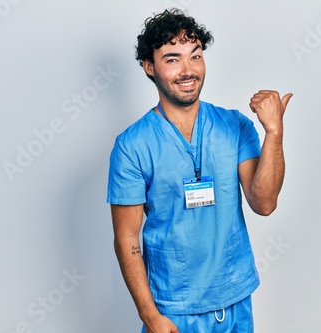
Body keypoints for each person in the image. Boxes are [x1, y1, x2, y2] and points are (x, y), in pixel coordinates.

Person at [107, 8, 292, 333]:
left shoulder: (234, 126)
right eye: (172, 59)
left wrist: (274, 134)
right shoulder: (132, 145)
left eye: (195, 55)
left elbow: (264, 203)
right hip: (174, 309)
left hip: (236, 299)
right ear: (149, 66)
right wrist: (151, 317)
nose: (188, 70)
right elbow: (126, 238)